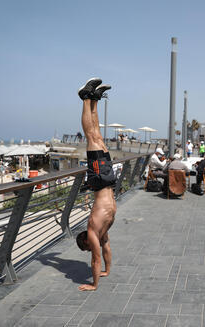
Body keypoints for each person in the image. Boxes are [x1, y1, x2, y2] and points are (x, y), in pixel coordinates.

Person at [75, 77, 117, 291]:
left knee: (91, 136)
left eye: (89, 247)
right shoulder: (103, 233)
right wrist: (108, 271)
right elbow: (106, 251)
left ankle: (85, 97)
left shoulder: (93, 229)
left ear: (86, 242)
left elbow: (95, 260)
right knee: (99, 137)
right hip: (107, 180)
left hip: (100, 180)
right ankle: (96, 99)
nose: (94, 248)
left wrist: (94, 284)